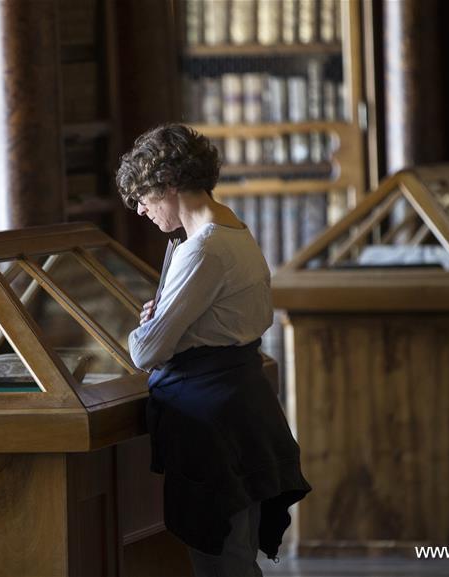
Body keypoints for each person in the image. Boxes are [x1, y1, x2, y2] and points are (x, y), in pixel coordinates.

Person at [116, 124, 312, 577]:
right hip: (238, 404)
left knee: (223, 563)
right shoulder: (231, 228)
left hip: (213, 420)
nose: (142, 211)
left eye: (143, 197)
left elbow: (146, 352)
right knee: (232, 555)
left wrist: (143, 328)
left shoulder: (202, 248)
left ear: (167, 184)